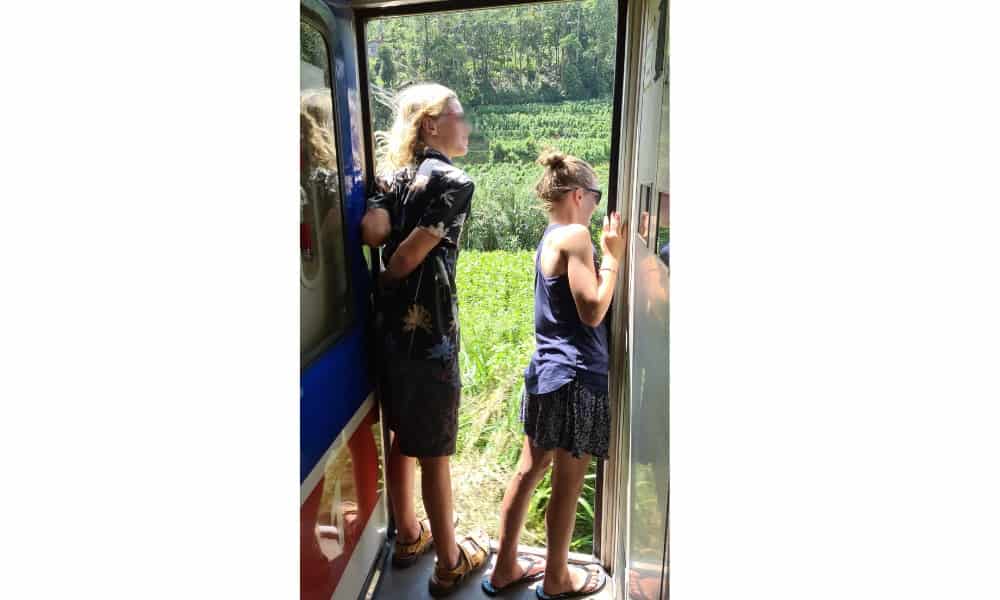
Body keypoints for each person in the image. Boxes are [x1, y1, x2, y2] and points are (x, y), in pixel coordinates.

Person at [360, 82, 490, 597]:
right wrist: (391, 274)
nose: (467, 126)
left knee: (400, 432)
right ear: (432, 125)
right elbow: (406, 257)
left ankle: (410, 534)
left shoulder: (390, 177)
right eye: (459, 115)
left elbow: (373, 232)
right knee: (435, 447)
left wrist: (381, 206)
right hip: (431, 333)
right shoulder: (455, 181)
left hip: (389, 333)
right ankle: (450, 564)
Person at [483, 150, 625, 599]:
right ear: (580, 194)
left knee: (528, 472)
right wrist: (614, 258)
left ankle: (504, 568)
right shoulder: (578, 236)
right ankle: (558, 579)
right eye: (596, 198)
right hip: (577, 379)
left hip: (545, 372)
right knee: (567, 485)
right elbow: (592, 311)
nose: (597, 209)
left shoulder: (549, 236)